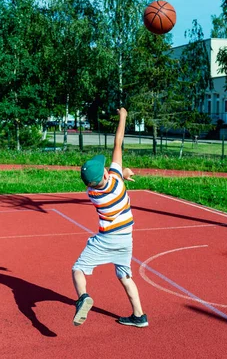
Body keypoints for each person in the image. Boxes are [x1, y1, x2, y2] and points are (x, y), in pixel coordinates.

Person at [71, 107, 148, 328]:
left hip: (106, 239)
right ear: (106, 173)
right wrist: (123, 117)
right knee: (125, 276)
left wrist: (121, 174)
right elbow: (118, 143)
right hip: (126, 238)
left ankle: (84, 297)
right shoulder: (116, 180)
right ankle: (139, 316)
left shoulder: (92, 193)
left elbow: (101, 178)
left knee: (78, 269)